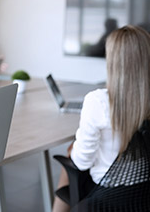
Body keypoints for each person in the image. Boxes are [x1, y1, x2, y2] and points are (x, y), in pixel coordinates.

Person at [52, 25, 150, 212]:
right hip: (143, 194)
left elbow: (82, 162)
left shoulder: (99, 101)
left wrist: (74, 150)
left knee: (70, 156)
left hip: (106, 196)